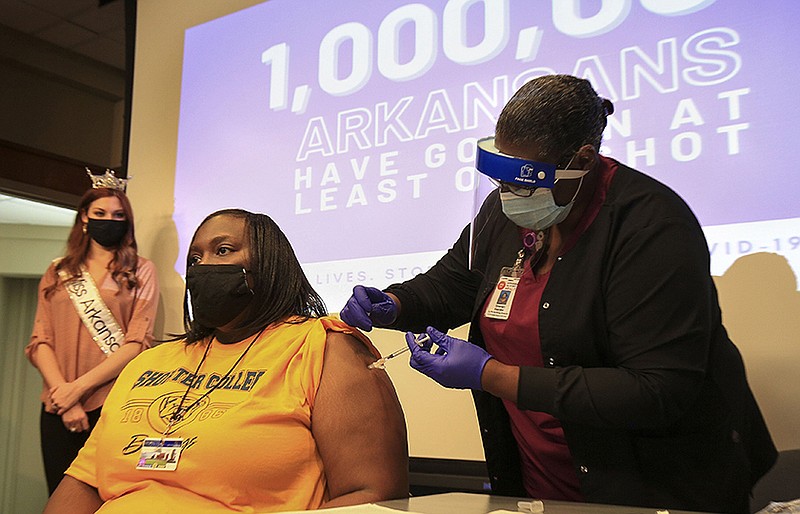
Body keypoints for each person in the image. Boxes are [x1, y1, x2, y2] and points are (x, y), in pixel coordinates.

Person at [340, 74, 777, 514]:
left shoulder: (651, 227)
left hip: (654, 491)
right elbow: (457, 282)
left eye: (525, 182)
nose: (508, 196)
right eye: (501, 179)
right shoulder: (505, 213)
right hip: (542, 489)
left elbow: (656, 390)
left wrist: (491, 375)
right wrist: (396, 304)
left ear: (583, 159)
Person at [43, 208, 408, 513]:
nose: (203, 267)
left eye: (223, 250)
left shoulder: (324, 348)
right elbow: (85, 481)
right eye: (195, 258)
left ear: (268, 264)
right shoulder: (148, 362)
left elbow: (372, 497)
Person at [26, 170, 159, 495]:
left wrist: (79, 389)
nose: (108, 220)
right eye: (100, 214)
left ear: (126, 222)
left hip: (112, 403)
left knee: (106, 497)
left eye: (117, 215)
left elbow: (136, 343)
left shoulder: (141, 270)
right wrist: (64, 395)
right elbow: (40, 341)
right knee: (59, 496)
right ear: (84, 218)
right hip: (57, 405)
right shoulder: (58, 271)